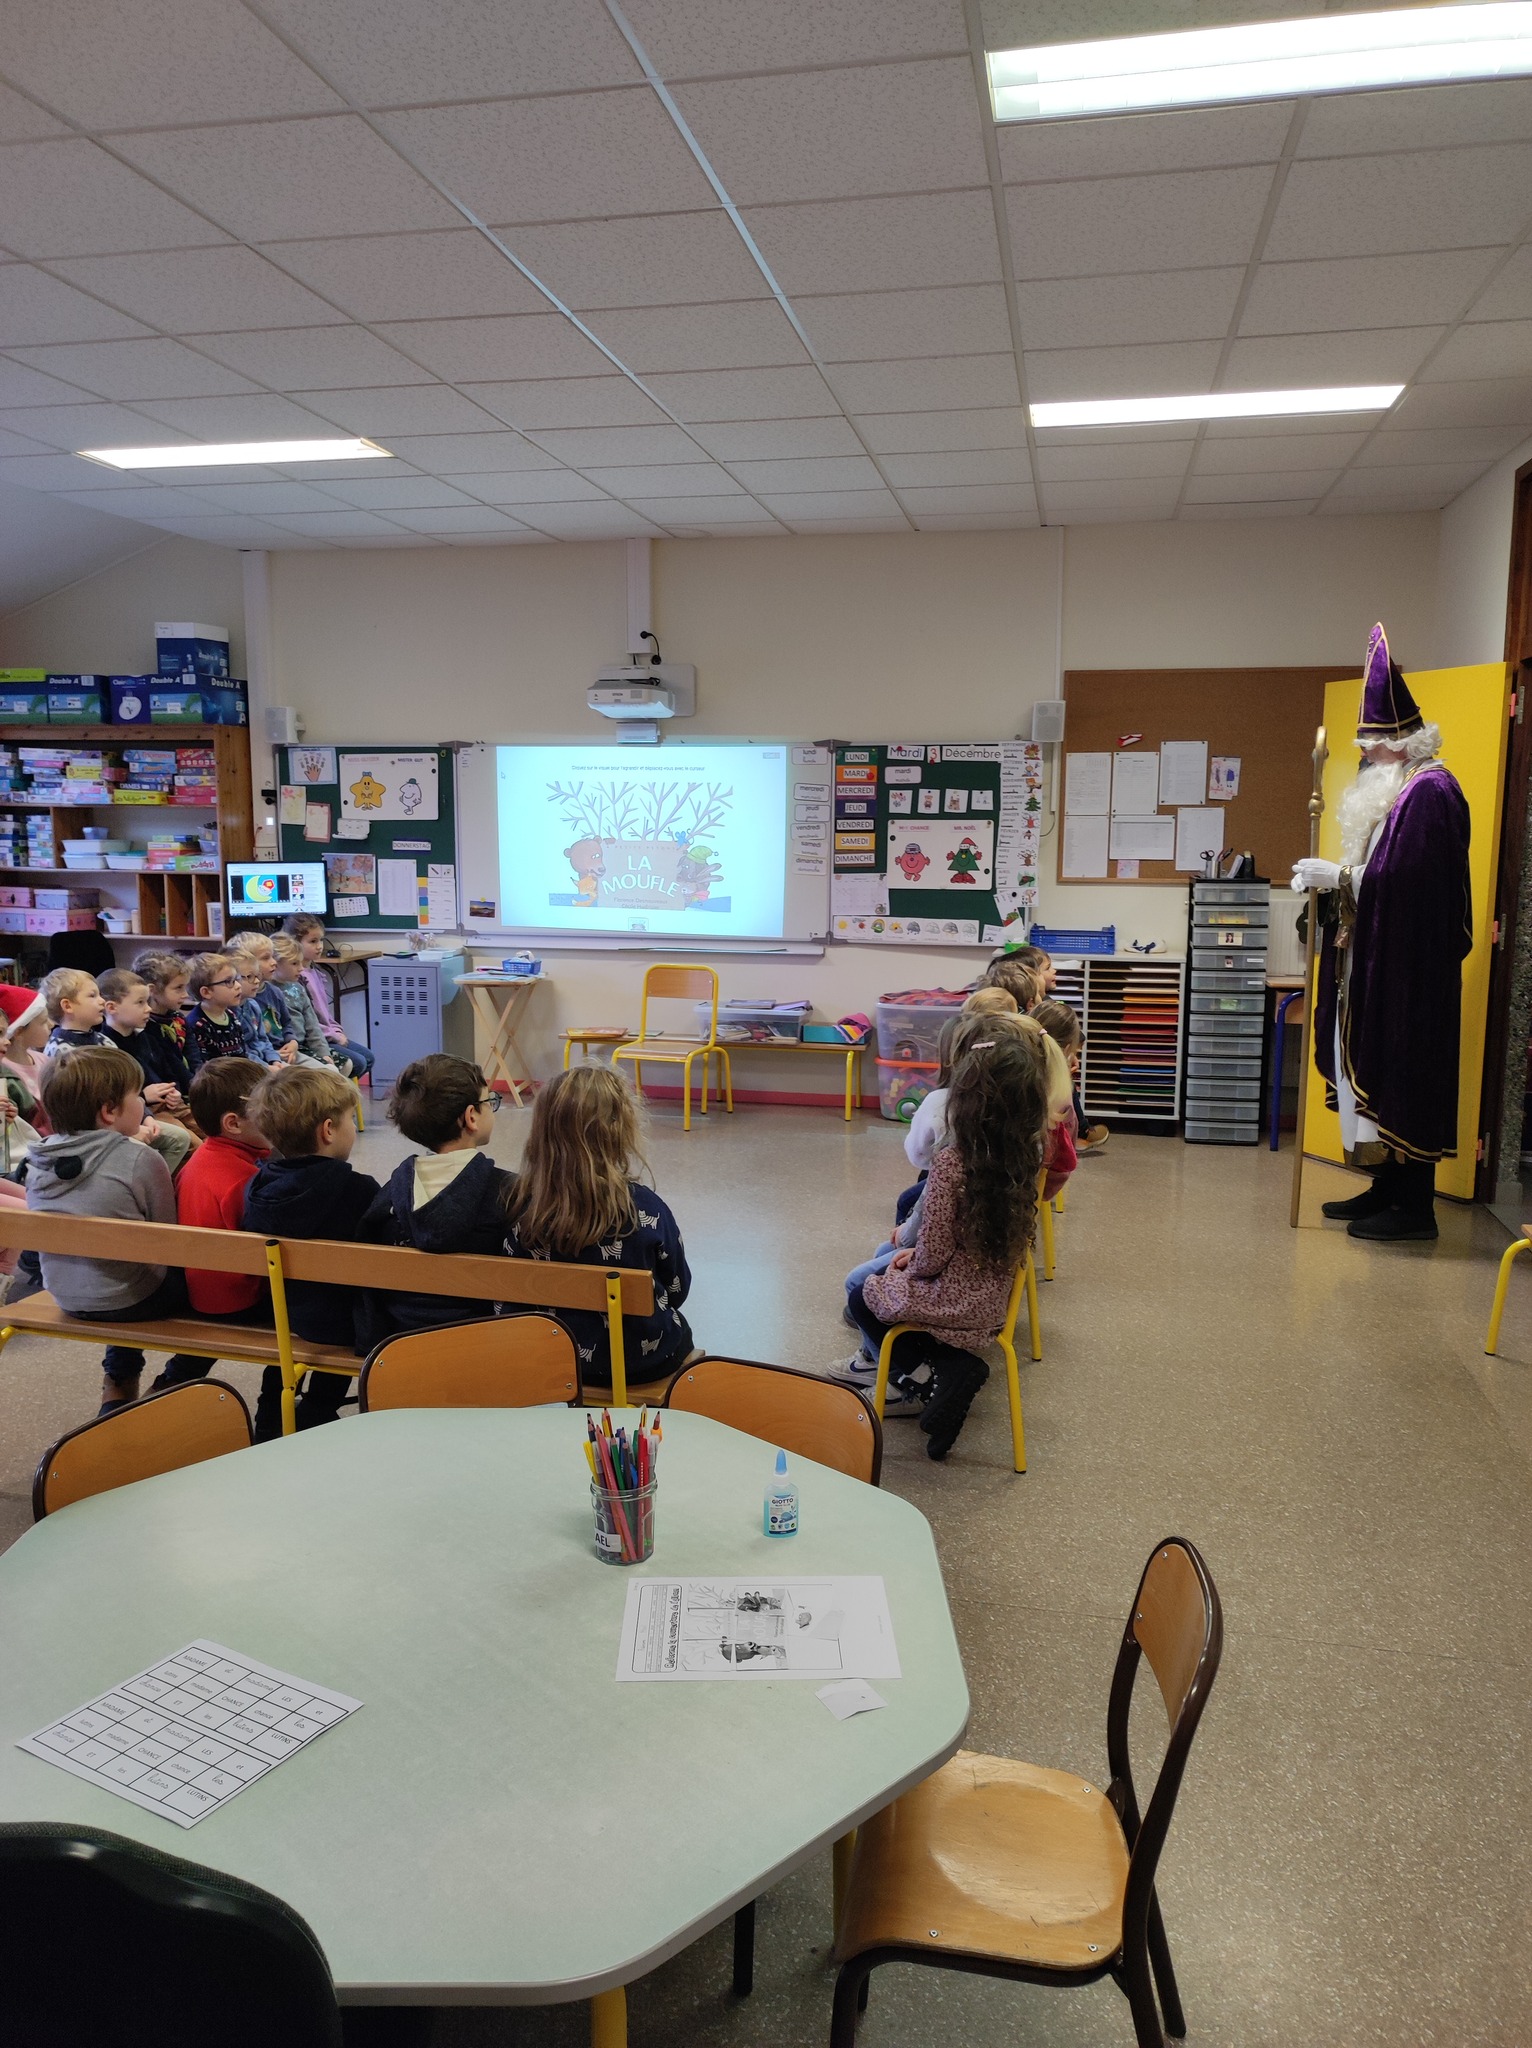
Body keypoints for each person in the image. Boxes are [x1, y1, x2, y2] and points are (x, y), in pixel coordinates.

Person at [1294, 622, 1472, 1243]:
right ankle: (1385, 1188)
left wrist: (1341, 874)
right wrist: (1331, 887)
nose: (1363, 754)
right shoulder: (1396, 794)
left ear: (1400, 739)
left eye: (1369, 742)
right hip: (1373, 963)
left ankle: (1414, 1209)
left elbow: (1414, 887)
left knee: (1403, 1076)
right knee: (1373, 1077)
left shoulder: (1431, 793)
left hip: (1410, 975)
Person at [832, 1022, 1050, 1461]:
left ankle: (924, 1379)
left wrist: (908, 1262)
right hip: (994, 1303)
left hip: (951, 1300)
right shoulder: (1029, 1154)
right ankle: (942, 1374)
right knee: (886, 1285)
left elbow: (931, 1257)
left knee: (863, 1294)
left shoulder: (952, 1160)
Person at [25, 1046, 209, 1414]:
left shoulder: (38, 1158)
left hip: (65, 1292)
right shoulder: (141, 1158)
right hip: (134, 1298)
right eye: (137, 1096)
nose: (142, 1103)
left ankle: (118, 1381)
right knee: (214, 1295)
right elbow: (168, 1239)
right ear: (110, 1111)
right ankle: (177, 1377)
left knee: (120, 1270)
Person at [500, 1065, 694, 1389]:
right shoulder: (647, 1210)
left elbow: (509, 1301)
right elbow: (677, 1290)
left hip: (553, 1359)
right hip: (644, 1363)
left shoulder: (520, 1209)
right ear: (621, 1133)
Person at [242, 1065, 384, 1428]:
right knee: (352, 1307)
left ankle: (270, 1419)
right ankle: (320, 1406)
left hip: (280, 1313)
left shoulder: (257, 1187)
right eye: (350, 1119)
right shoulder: (359, 1189)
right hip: (340, 1324)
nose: (353, 1126)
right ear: (328, 1130)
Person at [363, 1054, 515, 1340]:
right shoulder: (509, 1192)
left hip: (401, 1339)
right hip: (485, 1340)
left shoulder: (390, 1196)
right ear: (470, 1117)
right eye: (489, 1102)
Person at [175, 1057, 284, 1435]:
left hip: (199, 1291)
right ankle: (274, 1417)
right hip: (237, 1300)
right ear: (234, 1123)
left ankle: (171, 1385)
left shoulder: (203, 1159)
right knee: (305, 1316)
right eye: (268, 1111)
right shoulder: (244, 1179)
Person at [100, 969, 199, 1148]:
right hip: (144, 1110)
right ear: (112, 1007)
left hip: (170, 1104)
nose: (149, 1008)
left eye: (147, 1001)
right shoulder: (107, 1048)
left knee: (212, 1130)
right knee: (194, 1145)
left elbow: (169, 1071)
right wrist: (144, 1096)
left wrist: (173, 1092)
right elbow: (115, 1095)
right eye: (140, 1003)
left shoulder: (147, 1036)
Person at [283, 912, 373, 1080]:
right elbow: (310, 1022)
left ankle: (339, 1090)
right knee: (358, 1062)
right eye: (312, 941)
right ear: (295, 943)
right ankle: (332, 1091)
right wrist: (334, 1036)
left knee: (367, 1058)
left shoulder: (316, 972)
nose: (319, 946)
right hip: (317, 1038)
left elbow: (325, 1014)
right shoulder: (297, 979)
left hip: (327, 1035)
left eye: (321, 940)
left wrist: (337, 1031)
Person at [267, 934, 347, 1069]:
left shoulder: (298, 988)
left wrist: (323, 1053)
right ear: (276, 963)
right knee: (329, 1071)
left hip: (303, 1045)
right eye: (294, 963)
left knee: (346, 1065)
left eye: (300, 962)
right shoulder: (270, 991)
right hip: (286, 1049)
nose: (301, 968)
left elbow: (312, 1025)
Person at [1030, 998, 1082, 1200]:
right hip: (1037, 1186)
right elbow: (1065, 1157)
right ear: (1068, 1048)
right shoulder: (1062, 1094)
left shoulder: (1013, 1072)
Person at [131, 952, 196, 1105]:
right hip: (171, 1096)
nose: (185, 994)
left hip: (189, 1087)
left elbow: (193, 1057)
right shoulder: (145, 1027)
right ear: (152, 990)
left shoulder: (179, 1018)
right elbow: (169, 1068)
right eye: (178, 988)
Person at [225, 938, 295, 1066]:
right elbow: (242, 1052)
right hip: (251, 1067)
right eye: (250, 977)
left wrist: (274, 1060)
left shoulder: (252, 1005)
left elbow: (263, 1039)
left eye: (257, 976)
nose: (257, 981)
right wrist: (268, 1066)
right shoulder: (228, 1014)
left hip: (271, 1058)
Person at [185, 953, 254, 1069]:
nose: (238, 986)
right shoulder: (197, 1025)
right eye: (228, 981)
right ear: (206, 992)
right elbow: (204, 1070)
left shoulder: (231, 1015)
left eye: (236, 979)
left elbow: (242, 1054)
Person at [40, 966, 108, 1056]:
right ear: (67, 1006)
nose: (102, 1001)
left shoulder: (105, 1042)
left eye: (100, 995)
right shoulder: (59, 1051)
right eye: (92, 995)